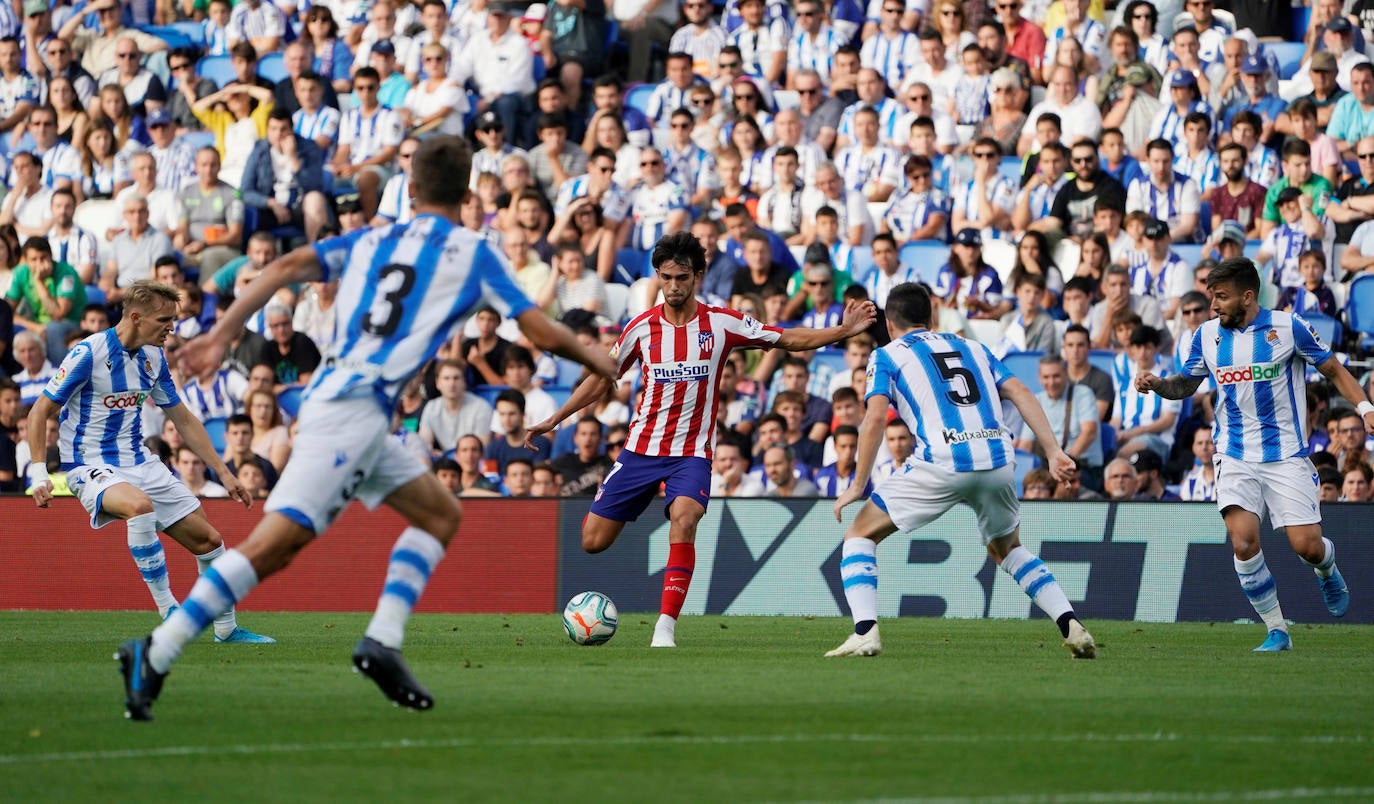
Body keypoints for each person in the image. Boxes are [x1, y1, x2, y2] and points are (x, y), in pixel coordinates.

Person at [117, 135, 618, 721]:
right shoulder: (473, 252)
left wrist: (223, 334)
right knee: (273, 547)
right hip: (350, 412)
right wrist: (597, 358)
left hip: (350, 407)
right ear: (466, 193)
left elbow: (283, 266)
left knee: (440, 514)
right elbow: (537, 329)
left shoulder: (374, 238)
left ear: (413, 189)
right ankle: (156, 651)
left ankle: (382, 642)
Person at [526, 231, 877, 649]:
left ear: (698, 276)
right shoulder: (641, 328)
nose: (674, 286)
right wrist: (555, 418)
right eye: (666, 277)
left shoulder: (722, 323)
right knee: (592, 541)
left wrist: (843, 330)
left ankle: (664, 628)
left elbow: (786, 337)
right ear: (658, 277)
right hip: (641, 450)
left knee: (686, 518)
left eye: (682, 277)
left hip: (691, 454)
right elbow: (603, 378)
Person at [827, 282, 1096, 659]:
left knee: (859, 534)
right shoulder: (974, 347)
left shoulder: (886, 355)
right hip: (997, 459)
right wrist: (1053, 450)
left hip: (942, 460)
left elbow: (873, 419)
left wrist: (858, 484)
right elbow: (1020, 391)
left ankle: (865, 632)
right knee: (1008, 549)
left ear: (889, 324)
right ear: (931, 317)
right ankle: (1071, 624)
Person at [1136, 257, 1370, 651]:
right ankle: (1277, 629)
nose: (1213, 306)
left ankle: (1326, 568)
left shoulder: (1288, 327)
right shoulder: (1206, 335)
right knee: (1243, 542)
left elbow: (1333, 370)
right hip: (1234, 453)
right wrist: (1158, 384)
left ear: (1247, 296)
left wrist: (1365, 408)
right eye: (1212, 297)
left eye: (1221, 297)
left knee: (1308, 547)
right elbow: (1186, 385)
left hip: (1286, 455)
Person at [27, 280, 272, 642]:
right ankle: (168, 609)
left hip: (140, 461)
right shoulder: (88, 353)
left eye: (173, 320)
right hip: (88, 463)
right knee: (139, 506)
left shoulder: (153, 358)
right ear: (136, 318)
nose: (171, 328)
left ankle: (226, 629)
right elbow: (39, 411)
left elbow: (183, 419)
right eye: (164, 320)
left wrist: (224, 472)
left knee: (209, 541)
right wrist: (38, 473)